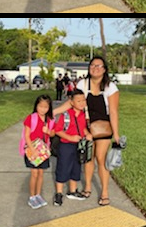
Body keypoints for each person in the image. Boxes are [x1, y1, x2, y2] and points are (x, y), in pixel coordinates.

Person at [54, 56, 120, 206]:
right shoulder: (83, 83)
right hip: (86, 127)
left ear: (104, 69)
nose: (95, 68)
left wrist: (116, 134)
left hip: (104, 128)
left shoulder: (111, 87)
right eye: (92, 65)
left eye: (99, 66)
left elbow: (114, 112)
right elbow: (72, 103)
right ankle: (88, 187)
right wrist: (54, 112)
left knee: (101, 159)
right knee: (87, 158)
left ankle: (104, 192)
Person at [53, 89, 92, 206]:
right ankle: (59, 193)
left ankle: (72, 191)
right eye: (78, 101)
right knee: (63, 167)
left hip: (78, 145)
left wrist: (87, 134)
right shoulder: (66, 114)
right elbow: (58, 130)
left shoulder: (82, 114)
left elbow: (83, 127)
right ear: (71, 102)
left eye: (83, 100)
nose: (82, 103)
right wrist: (70, 137)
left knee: (76, 167)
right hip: (66, 145)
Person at [21, 95, 55, 209]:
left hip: (43, 151)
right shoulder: (31, 118)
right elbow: (26, 135)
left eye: (46, 107)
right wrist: (32, 150)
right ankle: (32, 197)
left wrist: (48, 131)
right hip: (32, 150)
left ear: (49, 108)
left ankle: (38, 195)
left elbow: (53, 134)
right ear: (36, 106)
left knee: (41, 173)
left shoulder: (50, 120)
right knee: (34, 174)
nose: (43, 109)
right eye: (40, 106)